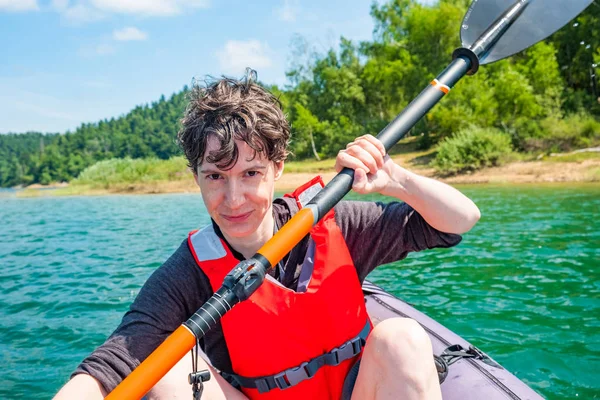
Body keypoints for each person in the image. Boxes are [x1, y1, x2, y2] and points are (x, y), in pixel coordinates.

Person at [54, 70, 480, 400]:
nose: (233, 198)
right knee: (162, 371)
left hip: (355, 391)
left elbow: (459, 220)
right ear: (196, 177)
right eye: (216, 176)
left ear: (278, 166)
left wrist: (397, 180)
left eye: (251, 173)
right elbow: (112, 363)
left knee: (402, 337)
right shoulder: (189, 272)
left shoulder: (332, 220)